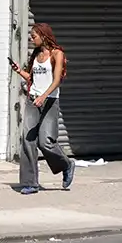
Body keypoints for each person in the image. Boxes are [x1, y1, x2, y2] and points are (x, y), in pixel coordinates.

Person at [11, 23, 75, 194]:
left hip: (49, 101)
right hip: (33, 101)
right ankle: (30, 183)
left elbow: (56, 80)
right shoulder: (36, 54)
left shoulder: (57, 54)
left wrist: (44, 96)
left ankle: (67, 164)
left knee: (45, 141)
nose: (32, 39)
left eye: (34, 36)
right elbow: (32, 77)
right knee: (28, 140)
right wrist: (19, 71)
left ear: (44, 35)